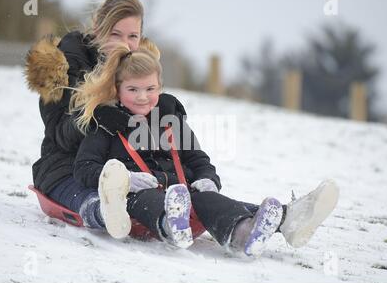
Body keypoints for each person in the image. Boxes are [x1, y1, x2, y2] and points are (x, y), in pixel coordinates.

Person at [66, 42, 339, 257]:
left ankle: (247, 234)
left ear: (160, 87)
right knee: (153, 199)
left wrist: (208, 178)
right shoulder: (105, 126)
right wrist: (127, 180)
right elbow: (84, 168)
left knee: (210, 200)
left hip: (185, 196)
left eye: (150, 88)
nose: (142, 96)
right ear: (117, 89)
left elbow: (198, 159)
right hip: (138, 202)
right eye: (132, 89)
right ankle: (172, 227)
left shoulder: (171, 122)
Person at [25, 0, 186, 205]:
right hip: (67, 166)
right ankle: (98, 210)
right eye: (115, 34)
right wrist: (95, 117)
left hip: (127, 167)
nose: (125, 45)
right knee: (97, 200)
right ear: (97, 28)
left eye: (132, 36)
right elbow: (60, 133)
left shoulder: (140, 68)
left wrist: (161, 111)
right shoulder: (65, 66)